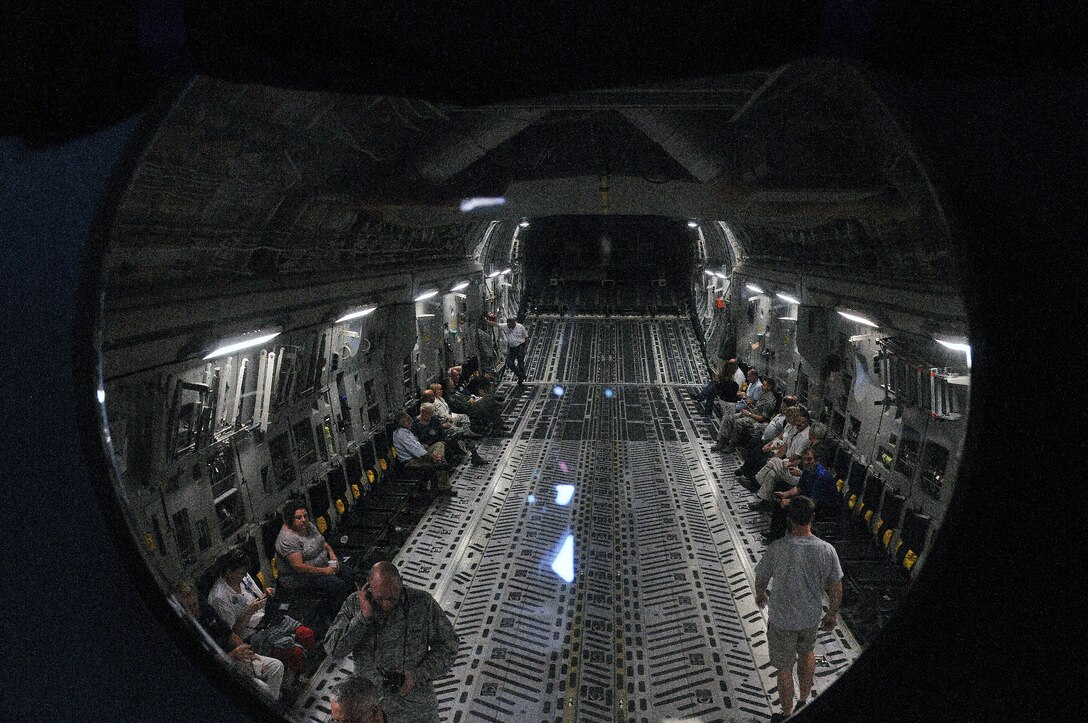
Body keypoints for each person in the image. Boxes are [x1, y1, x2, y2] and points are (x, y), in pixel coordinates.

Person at [324, 562, 459, 723]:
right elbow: (333, 650)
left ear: (400, 582)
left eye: (391, 598)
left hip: (415, 702)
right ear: (368, 585)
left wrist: (416, 676)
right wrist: (363, 618)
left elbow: (448, 646)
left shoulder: (422, 603)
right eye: (380, 598)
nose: (386, 604)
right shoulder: (354, 604)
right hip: (368, 707)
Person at [753, 497, 843, 722]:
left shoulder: (777, 548)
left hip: (782, 620)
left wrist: (761, 593)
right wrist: (832, 613)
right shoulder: (827, 550)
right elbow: (836, 585)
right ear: (812, 518)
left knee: (783, 668)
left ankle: (786, 714)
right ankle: (804, 700)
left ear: (789, 518)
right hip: (810, 618)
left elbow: (761, 576)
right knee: (807, 652)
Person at [207, 548, 316, 674]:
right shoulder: (219, 597)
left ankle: (307, 664)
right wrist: (249, 612)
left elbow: (257, 597)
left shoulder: (244, 576)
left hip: (268, 618)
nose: (244, 576)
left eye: (245, 573)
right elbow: (232, 634)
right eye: (240, 573)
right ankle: (295, 676)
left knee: (306, 634)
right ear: (228, 572)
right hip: (252, 633)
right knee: (294, 653)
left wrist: (267, 594)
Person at [173, 580, 285, 702]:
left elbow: (229, 633)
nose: (194, 609)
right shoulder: (184, 631)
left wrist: (251, 654)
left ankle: (272, 701)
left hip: (235, 654)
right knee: (262, 688)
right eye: (188, 607)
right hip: (221, 667)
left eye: (195, 604)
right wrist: (232, 656)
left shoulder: (205, 610)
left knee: (276, 666)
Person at [274, 499, 353, 616]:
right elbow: (299, 567)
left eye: (305, 516)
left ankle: (351, 609)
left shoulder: (308, 526)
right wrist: (325, 571)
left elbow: (323, 543)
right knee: (338, 586)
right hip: (302, 578)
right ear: (290, 519)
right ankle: (336, 617)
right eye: (298, 517)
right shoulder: (287, 539)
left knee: (349, 573)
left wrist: (333, 559)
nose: (303, 520)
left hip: (323, 565)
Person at [393, 412, 455, 495]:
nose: (411, 421)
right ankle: (444, 487)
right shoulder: (402, 435)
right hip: (412, 462)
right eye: (408, 419)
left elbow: (416, 445)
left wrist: (422, 446)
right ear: (404, 422)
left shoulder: (406, 432)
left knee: (439, 444)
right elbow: (418, 452)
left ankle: (439, 462)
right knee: (441, 463)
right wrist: (433, 457)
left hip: (419, 455)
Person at [712, 376, 778, 453]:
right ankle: (721, 442)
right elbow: (758, 406)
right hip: (751, 413)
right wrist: (751, 403)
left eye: (764, 385)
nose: (761, 386)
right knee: (728, 418)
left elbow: (762, 418)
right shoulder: (764, 395)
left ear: (769, 387)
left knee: (738, 422)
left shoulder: (769, 401)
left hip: (755, 419)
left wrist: (749, 414)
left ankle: (732, 445)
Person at [487, 315, 529, 386]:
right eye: (508, 325)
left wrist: (525, 349)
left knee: (520, 364)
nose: (508, 327)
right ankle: (521, 375)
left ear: (514, 323)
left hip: (520, 346)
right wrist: (487, 321)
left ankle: (520, 381)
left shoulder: (520, 327)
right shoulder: (505, 326)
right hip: (512, 348)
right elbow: (496, 324)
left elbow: (526, 338)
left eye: (510, 325)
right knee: (509, 363)